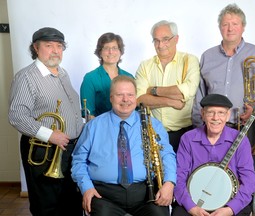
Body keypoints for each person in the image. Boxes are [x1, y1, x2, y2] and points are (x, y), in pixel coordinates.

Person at [192, 4, 255, 169]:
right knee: (214, 176)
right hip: (213, 128)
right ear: (220, 27)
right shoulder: (207, 56)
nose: (230, 28)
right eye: (225, 24)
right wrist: (200, 128)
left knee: (245, 177)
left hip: (246, 128)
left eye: (235, 24)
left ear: (243, 27)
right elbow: (200, 95)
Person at [72, 75, 176, 216]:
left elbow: (167, 155)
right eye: (120, 95)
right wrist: (86, 188)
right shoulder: (93, 126)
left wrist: (169, 183)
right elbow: (78, 160)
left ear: (135, 97)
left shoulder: (153, 124)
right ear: (111, 98)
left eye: (130, 95)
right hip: (104, 195)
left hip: (146, 192)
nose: (125, 99)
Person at [8, 27, 84, 216]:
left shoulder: (62, 73)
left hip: (68, 149)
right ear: (35, 47)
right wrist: (50, 135)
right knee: (47, 206)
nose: (55, 51)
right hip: (44, 150)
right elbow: (17, 115)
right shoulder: (27, 77)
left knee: (70, 202)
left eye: (59, 46)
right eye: (49, 46)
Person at [173, 94, 255, 216]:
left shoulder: (240, 140)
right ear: (202, 114)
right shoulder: (188, 139)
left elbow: (249, 180)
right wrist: (191, 207)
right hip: (195, 201)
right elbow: (179, 177)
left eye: (221, 113)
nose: (215, 118)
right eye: (210, 112)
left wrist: (230, 209)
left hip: (230, 202)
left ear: (228, 115)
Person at [135, 20, 200, 153]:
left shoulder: (190, 60)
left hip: (184, 134)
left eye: (165, 39)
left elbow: (186, 92)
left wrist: (153, 91)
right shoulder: (145, 66)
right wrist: (170, 101)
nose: (160, 45)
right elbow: (139, 100)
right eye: (156, 40)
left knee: (183, 173)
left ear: (176, 39)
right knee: (155, 173)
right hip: (152, 134)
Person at [80, 32, 134, 119]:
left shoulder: (129, 77)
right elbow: (88, 113)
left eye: (114, 48)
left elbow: (134, 107)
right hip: (100, 127)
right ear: (100, 52)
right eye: (106, 48)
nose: (110, 52)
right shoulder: (90, 78)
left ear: (120, 52)